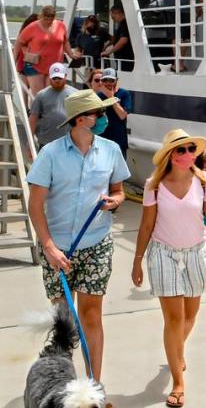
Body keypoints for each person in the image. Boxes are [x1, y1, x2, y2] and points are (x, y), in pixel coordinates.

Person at [26, 89, 130, 389]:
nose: (104, 118)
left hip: (96, 243)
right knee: (64, 323)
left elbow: (120, 190)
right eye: (100, 113)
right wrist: (49, 248)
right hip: (57, 249)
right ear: (82, 119)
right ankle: (63, 385)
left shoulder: (110, 150)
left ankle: (93, 388)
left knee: (91, 315)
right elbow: (35, 205)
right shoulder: (50, 154)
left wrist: (115, 200)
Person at [131, 129, 206, 408]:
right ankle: (178, 382)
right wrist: (137, 260)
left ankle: (176, 351)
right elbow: (147, 226)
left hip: (196, 253)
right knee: (174, 319)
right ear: (170, 156)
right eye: (181, 150)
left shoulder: (204, 183)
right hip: (163, 254)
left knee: (190, 316)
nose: (188, 154)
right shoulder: (154, 185)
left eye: (191, 149)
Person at [13, 5, 72, 96]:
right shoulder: (32, 27)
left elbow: (65, 41)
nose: (48, 21)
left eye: (50, 19)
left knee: (52, 94)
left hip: (54, 66)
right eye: (46, 19)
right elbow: (19, 42)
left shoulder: (61, 25)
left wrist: (71, 54)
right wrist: (13, 61)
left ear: (54, 17)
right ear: (41, 16)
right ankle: (33, 110)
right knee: (39, 95)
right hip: (34, 65)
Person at [29, 63, 79, 149]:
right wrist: (29, 143)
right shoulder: (41, 95)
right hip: (46, 143)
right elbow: (33, 119)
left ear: (65, 76)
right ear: (49, 77)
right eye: (54, 78)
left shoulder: (76, 94)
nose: (57, 80)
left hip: (70, 143)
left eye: (59, 77)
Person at [95, 68, 131, 158]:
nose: (108, 83)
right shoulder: (97, 97)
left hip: (119, 141)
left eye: (111, 80)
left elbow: (122, 115)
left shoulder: (124, 94)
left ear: (116, 80)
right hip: (101, 141)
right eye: (105, 80)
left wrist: (111, 98)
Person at [102, 4, 134, 71]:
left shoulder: (125, 23)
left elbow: (123, 40)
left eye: (113, 17)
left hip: (126, 59)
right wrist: (107, 46)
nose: (113, 19)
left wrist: (109, 52)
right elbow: (116, 38)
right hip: (123, 60)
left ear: (117, 13)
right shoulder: (123, 24)